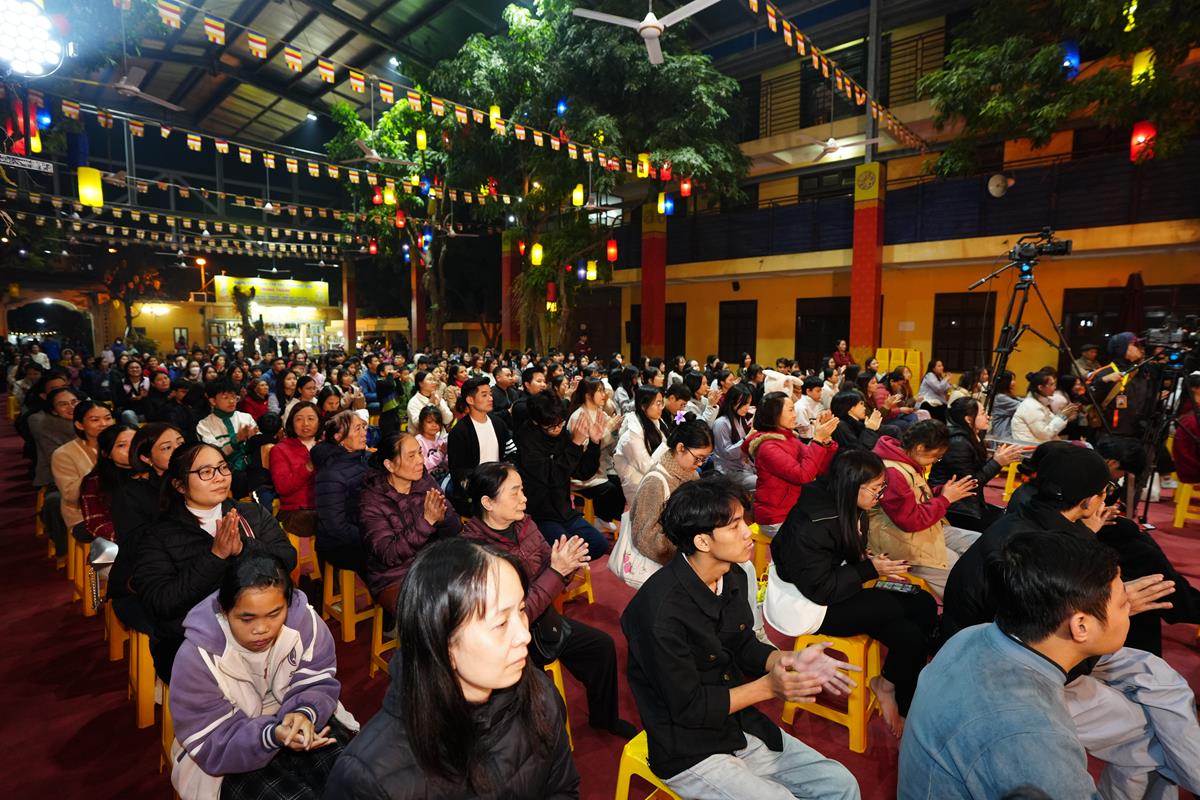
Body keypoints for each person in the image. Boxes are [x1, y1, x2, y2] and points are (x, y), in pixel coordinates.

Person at [621, 476, 861, 800]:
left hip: (738, 724)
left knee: (841, 783)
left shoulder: (733, 573)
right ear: (703, 542)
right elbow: (689, 708)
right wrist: (769, 687)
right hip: (689, 749)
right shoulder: (657, 614)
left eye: (743, 521)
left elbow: (742, 643)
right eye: (734, 526)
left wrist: (785, 659)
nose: (748, 531)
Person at [323, 538, 579, 799]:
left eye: (521, 610)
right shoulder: (369, 779)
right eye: (501, 623)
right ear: (443, 644)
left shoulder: (539, 693)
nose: (524, 635)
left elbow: (562, 789)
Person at [899, 532, 1129, 799]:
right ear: (1081, 626)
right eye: (1123, 603)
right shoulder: (1030, 736)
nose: (1130, 608)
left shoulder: (974, 636)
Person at [769, 450, 938, 738]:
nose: (881, 496)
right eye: (876, 489)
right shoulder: (811, 525)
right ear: (851, 485)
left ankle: (889, 685)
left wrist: (868, 562)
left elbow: (844, 547)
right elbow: (821, 590)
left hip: (834, 582)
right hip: (810, 604)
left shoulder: (845, 500)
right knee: (914, 612)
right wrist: (870, 569)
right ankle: (901, 696)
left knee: (917, 615)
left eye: (882, 487)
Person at [463, 463, 636, 740]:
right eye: (515, 492)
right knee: (548, 703)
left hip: (543, 620)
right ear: (488, 503)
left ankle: (605, 719)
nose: (524, 498)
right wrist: (556, 572)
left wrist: (565, 566)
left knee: (601, 646)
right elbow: (518, 615)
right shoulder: (475, 552)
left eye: (523, 490)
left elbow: (550, 569)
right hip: (508, 640)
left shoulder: (524, 523)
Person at [167, 554, 358, 800]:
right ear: (224, 611)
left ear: (288, 603)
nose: (261, 629)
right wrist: (272, 734)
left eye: (275, 613)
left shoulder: (303, 622)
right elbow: (212, 739)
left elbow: (318, 681)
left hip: (296, 717)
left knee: (352, 783)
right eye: (246, 618)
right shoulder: (197, 657)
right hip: (231, 748)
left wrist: (304, 712)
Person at [134, 443, 296, 681]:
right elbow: (161, 602)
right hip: (194, 639)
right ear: (179, 485)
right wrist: (215, 556)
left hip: (262, 624)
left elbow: (287, 558)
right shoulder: (158, 535)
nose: (219, 478)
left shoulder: (252, 514)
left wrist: (244, 548)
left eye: (223, 468)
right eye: (206, 472)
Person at [869, 420, 979, 597]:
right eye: (936, 456)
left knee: (978, 543)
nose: (935, 461)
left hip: (919, 530)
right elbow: (909, 521)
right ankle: (961, 609)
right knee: (958, 571)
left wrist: (941, 492)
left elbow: (915, 499)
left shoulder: (904, 459)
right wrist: (945, 499)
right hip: (895, 538)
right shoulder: (892, 471)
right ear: (920, 448)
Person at [359, 433, 461, 612]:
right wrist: (427, 521)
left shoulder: (425, 482)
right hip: (394, 578)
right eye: (411, 456)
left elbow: (454, 530)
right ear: (390, 465)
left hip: (430, 565)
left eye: (420, 453)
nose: (420, 461)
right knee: (437, 612)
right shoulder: (371, 499)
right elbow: (389, 554)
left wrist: (443, 518)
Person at [108, 423, 186, 632]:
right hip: (142, 585)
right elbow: (135, 546)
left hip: (193, 575)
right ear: (146, 458)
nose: (178, 451)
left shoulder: (197, 482)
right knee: (185, 628)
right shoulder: (130, 494)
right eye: (167, 448)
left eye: (180, 444)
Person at [513, 391, 608, 559]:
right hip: (539, 514)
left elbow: (583, 473)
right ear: (536, 422)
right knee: (568, 552)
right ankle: (556, 571)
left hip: (563, 510)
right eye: (551, 426)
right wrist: (575, 445)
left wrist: (594, 443)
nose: (557, 429)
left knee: (599, 545)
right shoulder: (526, 441)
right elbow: (553, 477)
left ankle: (563, 568)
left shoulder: (561, 432)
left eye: (560, 423)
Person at [744, 391, 839, 535]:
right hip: (776, 517)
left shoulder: (789, 438)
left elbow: (818, 468)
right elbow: (803, 476)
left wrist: (825, 441)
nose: (795, 415)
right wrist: (817, 440)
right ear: (774, 414)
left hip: (794, 510)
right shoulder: (767, 447)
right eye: (790, 410)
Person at [928, 397, 1025, 531]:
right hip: (954, 508)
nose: (988, 417)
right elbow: (971, 483)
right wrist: (997, 462)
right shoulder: (958, 442)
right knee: (1005, 527)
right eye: (983, 413)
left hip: (967, 502)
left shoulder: (972, 437)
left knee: (1011, 519)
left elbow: (977, 472)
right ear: (968, 419)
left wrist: (996, 460)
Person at [313, 410, 371, 575]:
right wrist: (372, 536)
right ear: (339, 438)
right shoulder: (330, 473)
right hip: (339, 543)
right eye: (357, 429)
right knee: (390, 558)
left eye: (363, 427)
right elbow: (335, 527)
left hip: (365, 528)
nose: (364, 433)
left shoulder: (363, 458)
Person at [52, 400, 114, 548]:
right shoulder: (64, 454)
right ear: (80, 425)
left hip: (123, 508)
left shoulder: (123, 446)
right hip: (83, 516)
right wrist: (101, 468)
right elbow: (70, 495)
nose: (104, 424)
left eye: (108, 418)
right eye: (95, 420)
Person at [565, 376, 625, 530]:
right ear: (587, 395)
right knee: (610, 489)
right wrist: (608, 431)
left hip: (601, 468)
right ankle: (602, 517)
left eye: (603, 390)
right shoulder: (578, 416)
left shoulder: (601, 414)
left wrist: (617, 432)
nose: (604, 395)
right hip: (582, 474)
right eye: (600, 391)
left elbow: (610, 449)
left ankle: (606, 518)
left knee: (621, 482)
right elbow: (585, 451)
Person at [196, 380, 258, 499]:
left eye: (234, 397)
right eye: (226, 398)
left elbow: (257, 444)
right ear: (213, 401)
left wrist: (253, 439)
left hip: (251, 464)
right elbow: (215, 454)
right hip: (224, 469)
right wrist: (236, 441)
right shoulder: (204, 425)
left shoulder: (246, 418)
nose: (232, 401)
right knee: (239, 478)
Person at [78, 423, 138, 542]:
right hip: (125, 539)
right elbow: (96, 523)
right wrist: (133, 538)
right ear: (106, 453)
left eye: (135, 443)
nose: (131, 449)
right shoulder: (95, 481)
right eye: (122, 445)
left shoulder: (156, 472)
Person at [269, 402, 321, 538]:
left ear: (319, 422)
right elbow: (282, 487)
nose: (305, 424)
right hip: (296, 511)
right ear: (291, 423)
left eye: (311, 418)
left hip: (326, 506)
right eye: (299, 419)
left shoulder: (326, 446)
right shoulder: (280, 449)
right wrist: (308, 467)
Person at [613, 385, 669, 506]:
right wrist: (666, 445)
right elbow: (646, 467)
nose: (661, 407)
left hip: (655, 474)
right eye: (657, 403)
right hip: (638, 482)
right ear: (643, 406)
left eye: (662, 403)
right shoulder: (631, 433)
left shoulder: (658, 421)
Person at [1012, 371, 1078, 443]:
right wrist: (1062, 416)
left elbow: (1051, 425)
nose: (1055, 387)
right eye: (1051, 384)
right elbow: (1045, 434)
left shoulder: (1039, 403)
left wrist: (1063, 415)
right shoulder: (1031, 406)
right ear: (1040, 387)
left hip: (1039, 444)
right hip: (1031, 447)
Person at [414, 405, 450, 490]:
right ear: (421, 423)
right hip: (426, 481)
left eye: (437, 422)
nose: (434, 425)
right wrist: (440, 453)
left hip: (442, 476)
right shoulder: (418, 441)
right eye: (429, 422)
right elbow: (423, 465)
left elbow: (445, 463)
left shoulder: (440, 440)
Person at [510, 364, 549, 431]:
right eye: (539, 381)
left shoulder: (543, 399)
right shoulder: (522, 405)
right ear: (527, 385)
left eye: (544, 381)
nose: (543, 385)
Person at [988, 370, 1020, 440]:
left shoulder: (1006, 395)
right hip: (1003, 435)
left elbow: (1020, 400)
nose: (1014, 382)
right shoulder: (1000, 398)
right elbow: (1022, 407)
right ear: (1005, 382)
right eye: (1011, 380)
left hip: (1007, 434)